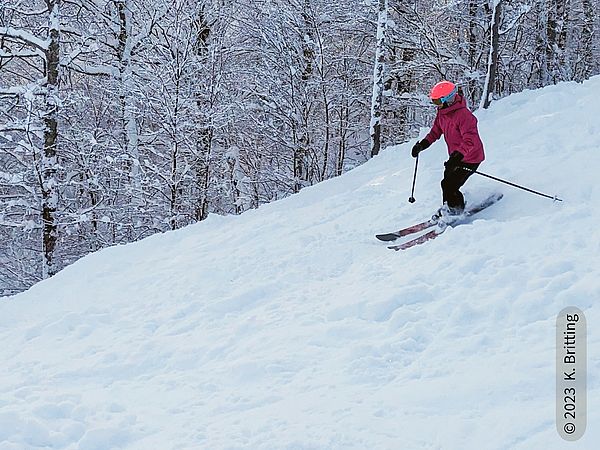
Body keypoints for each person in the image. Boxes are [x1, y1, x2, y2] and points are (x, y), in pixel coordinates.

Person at [411, 80, 485, 215]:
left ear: (448, 99)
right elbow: (435, 132)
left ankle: (455, 211)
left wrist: (458, 156)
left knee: (449, 184)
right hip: (455, 157)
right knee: (446, 183)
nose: (436, 106)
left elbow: (471, 140)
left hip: (471, 157)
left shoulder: (464, 116)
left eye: (437, 102)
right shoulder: (442, 113)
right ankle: (450, 208)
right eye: (434, 102)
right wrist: (422, 145)